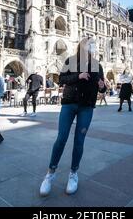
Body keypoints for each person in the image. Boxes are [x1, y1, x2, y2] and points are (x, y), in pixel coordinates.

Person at [40, 38, 105, 197]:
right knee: (61, 138)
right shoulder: (70, 60)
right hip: (69, 103)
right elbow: (61, 79)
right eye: (89, 45)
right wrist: (79, 76)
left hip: (86, 106)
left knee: (79, 141)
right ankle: (50, 173)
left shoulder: (97, 65)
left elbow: (101, 87)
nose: (91, 48)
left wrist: (102, 87)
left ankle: (73, 173)